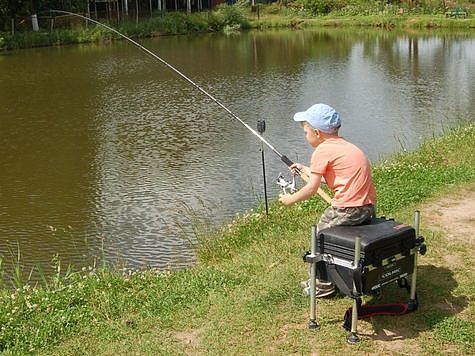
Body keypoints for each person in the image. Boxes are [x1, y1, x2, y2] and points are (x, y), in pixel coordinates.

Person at [279, 103, 376, 297]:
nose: (305, 136)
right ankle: (342, 273)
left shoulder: (322, 151)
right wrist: (304, 169)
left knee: (320, 239)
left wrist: (290, 200)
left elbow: (311, 188)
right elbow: (331, 176)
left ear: (317, 132)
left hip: (347, 209)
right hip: (367, 208)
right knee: (334, 239)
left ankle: (323, 286)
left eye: (306, 132)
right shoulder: (345, 146)